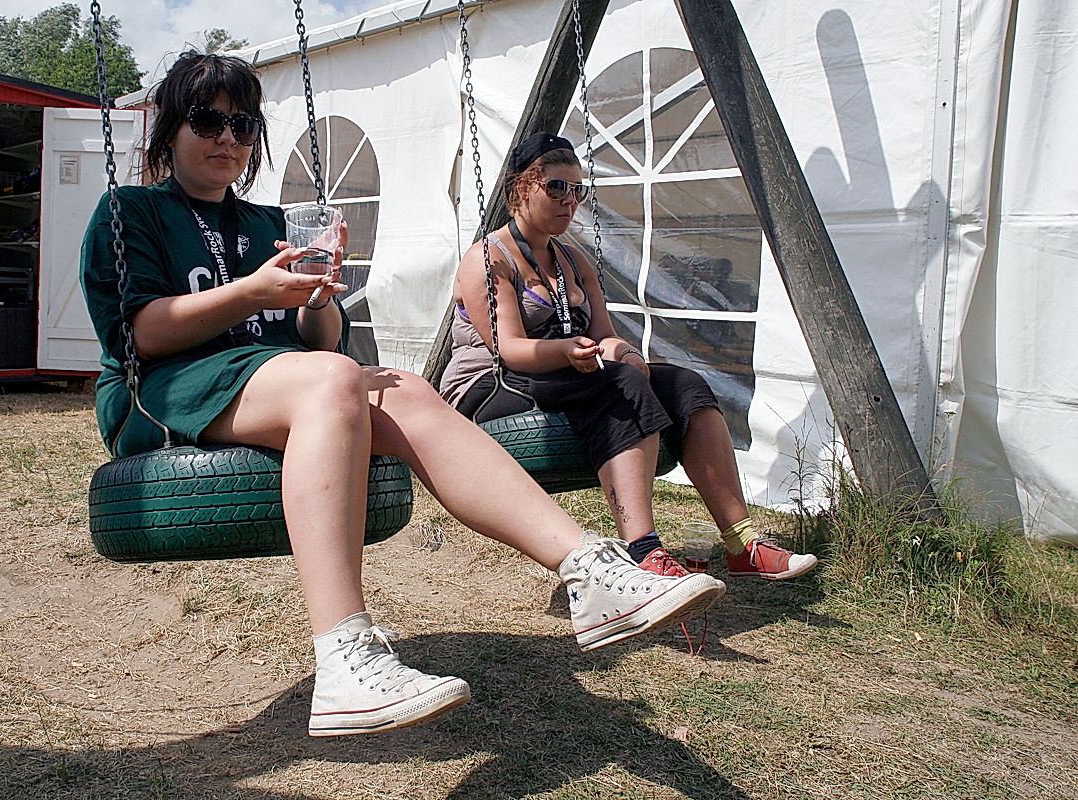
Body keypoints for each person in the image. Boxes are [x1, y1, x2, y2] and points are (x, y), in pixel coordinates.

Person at [80, 53, 726, 738]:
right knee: (337, 378)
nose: (227, 138)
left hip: (272, 377)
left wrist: (317, 298)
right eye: (207, 121)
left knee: (408, 389)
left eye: (242, 125)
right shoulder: (132, 210)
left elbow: (319, 340)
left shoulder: (269, 222)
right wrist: (251, 292)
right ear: (171, 128)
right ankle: (344, 657)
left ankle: (588, 571)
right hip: (165, 388)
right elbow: (141, 332)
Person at [439, 132, 817, 583]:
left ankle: (743, 544)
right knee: (621, 385)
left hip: (563, 372)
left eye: (577, 190)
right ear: (523, 188)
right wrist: (569, 351)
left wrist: (628, 354)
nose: (569, 201)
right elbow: (510, 350)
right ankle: (644, 550)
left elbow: (604, 336)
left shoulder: (573, 261)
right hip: (488, 384)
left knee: (683, 384)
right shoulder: (488, 258)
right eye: (556, 187)